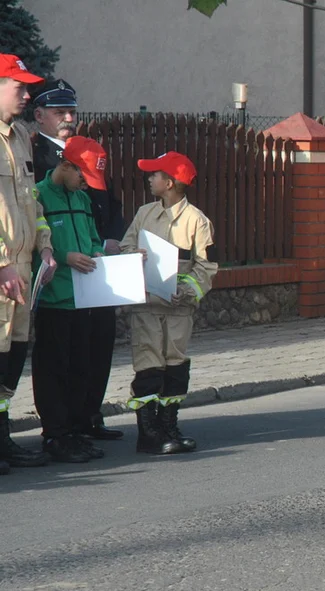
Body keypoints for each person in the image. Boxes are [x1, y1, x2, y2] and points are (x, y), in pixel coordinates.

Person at [30, 78, 126, 442]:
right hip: (61, 274)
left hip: (95, 265)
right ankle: (61, 425)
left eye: (72, 111)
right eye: (60, 112)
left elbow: (107, 203)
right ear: (39, 116)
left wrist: (110, 238)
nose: (68, 118)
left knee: (96, 345)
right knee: (59, 354)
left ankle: (89, 415)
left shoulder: (89, 153)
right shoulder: (35, 157)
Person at [120, 152, 217, 455]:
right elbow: (124, 247)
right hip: (147, 307)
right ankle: (148, 435)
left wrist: (187, 292)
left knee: (175, 368)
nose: (149, 179)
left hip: (177, 310)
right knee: (148, 366)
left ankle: (168, 426)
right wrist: (134, 254)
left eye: (155, 174)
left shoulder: (197, 222)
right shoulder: (144, 213)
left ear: (171, 183)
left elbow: (206, 268)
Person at [31, 137, 110, 462]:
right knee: (53, 369)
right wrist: (65, 256)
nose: (84, 183)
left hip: (84, 297)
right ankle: (55, 435)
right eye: (82, 175)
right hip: (54, 299)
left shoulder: (81, 197)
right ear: (66, 165)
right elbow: (34, 244)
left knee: (80, 367)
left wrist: (99, 251)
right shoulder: (38, 196)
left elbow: (92, 238)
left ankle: (75, 431)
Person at [0, 55, 57, 473]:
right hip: (3, 269)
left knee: (12, 357)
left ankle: (3, 441)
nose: (26, 93)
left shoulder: (20, 135)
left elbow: (31, 200)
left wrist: (46, 246)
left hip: (21, 269)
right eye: (18, 85)